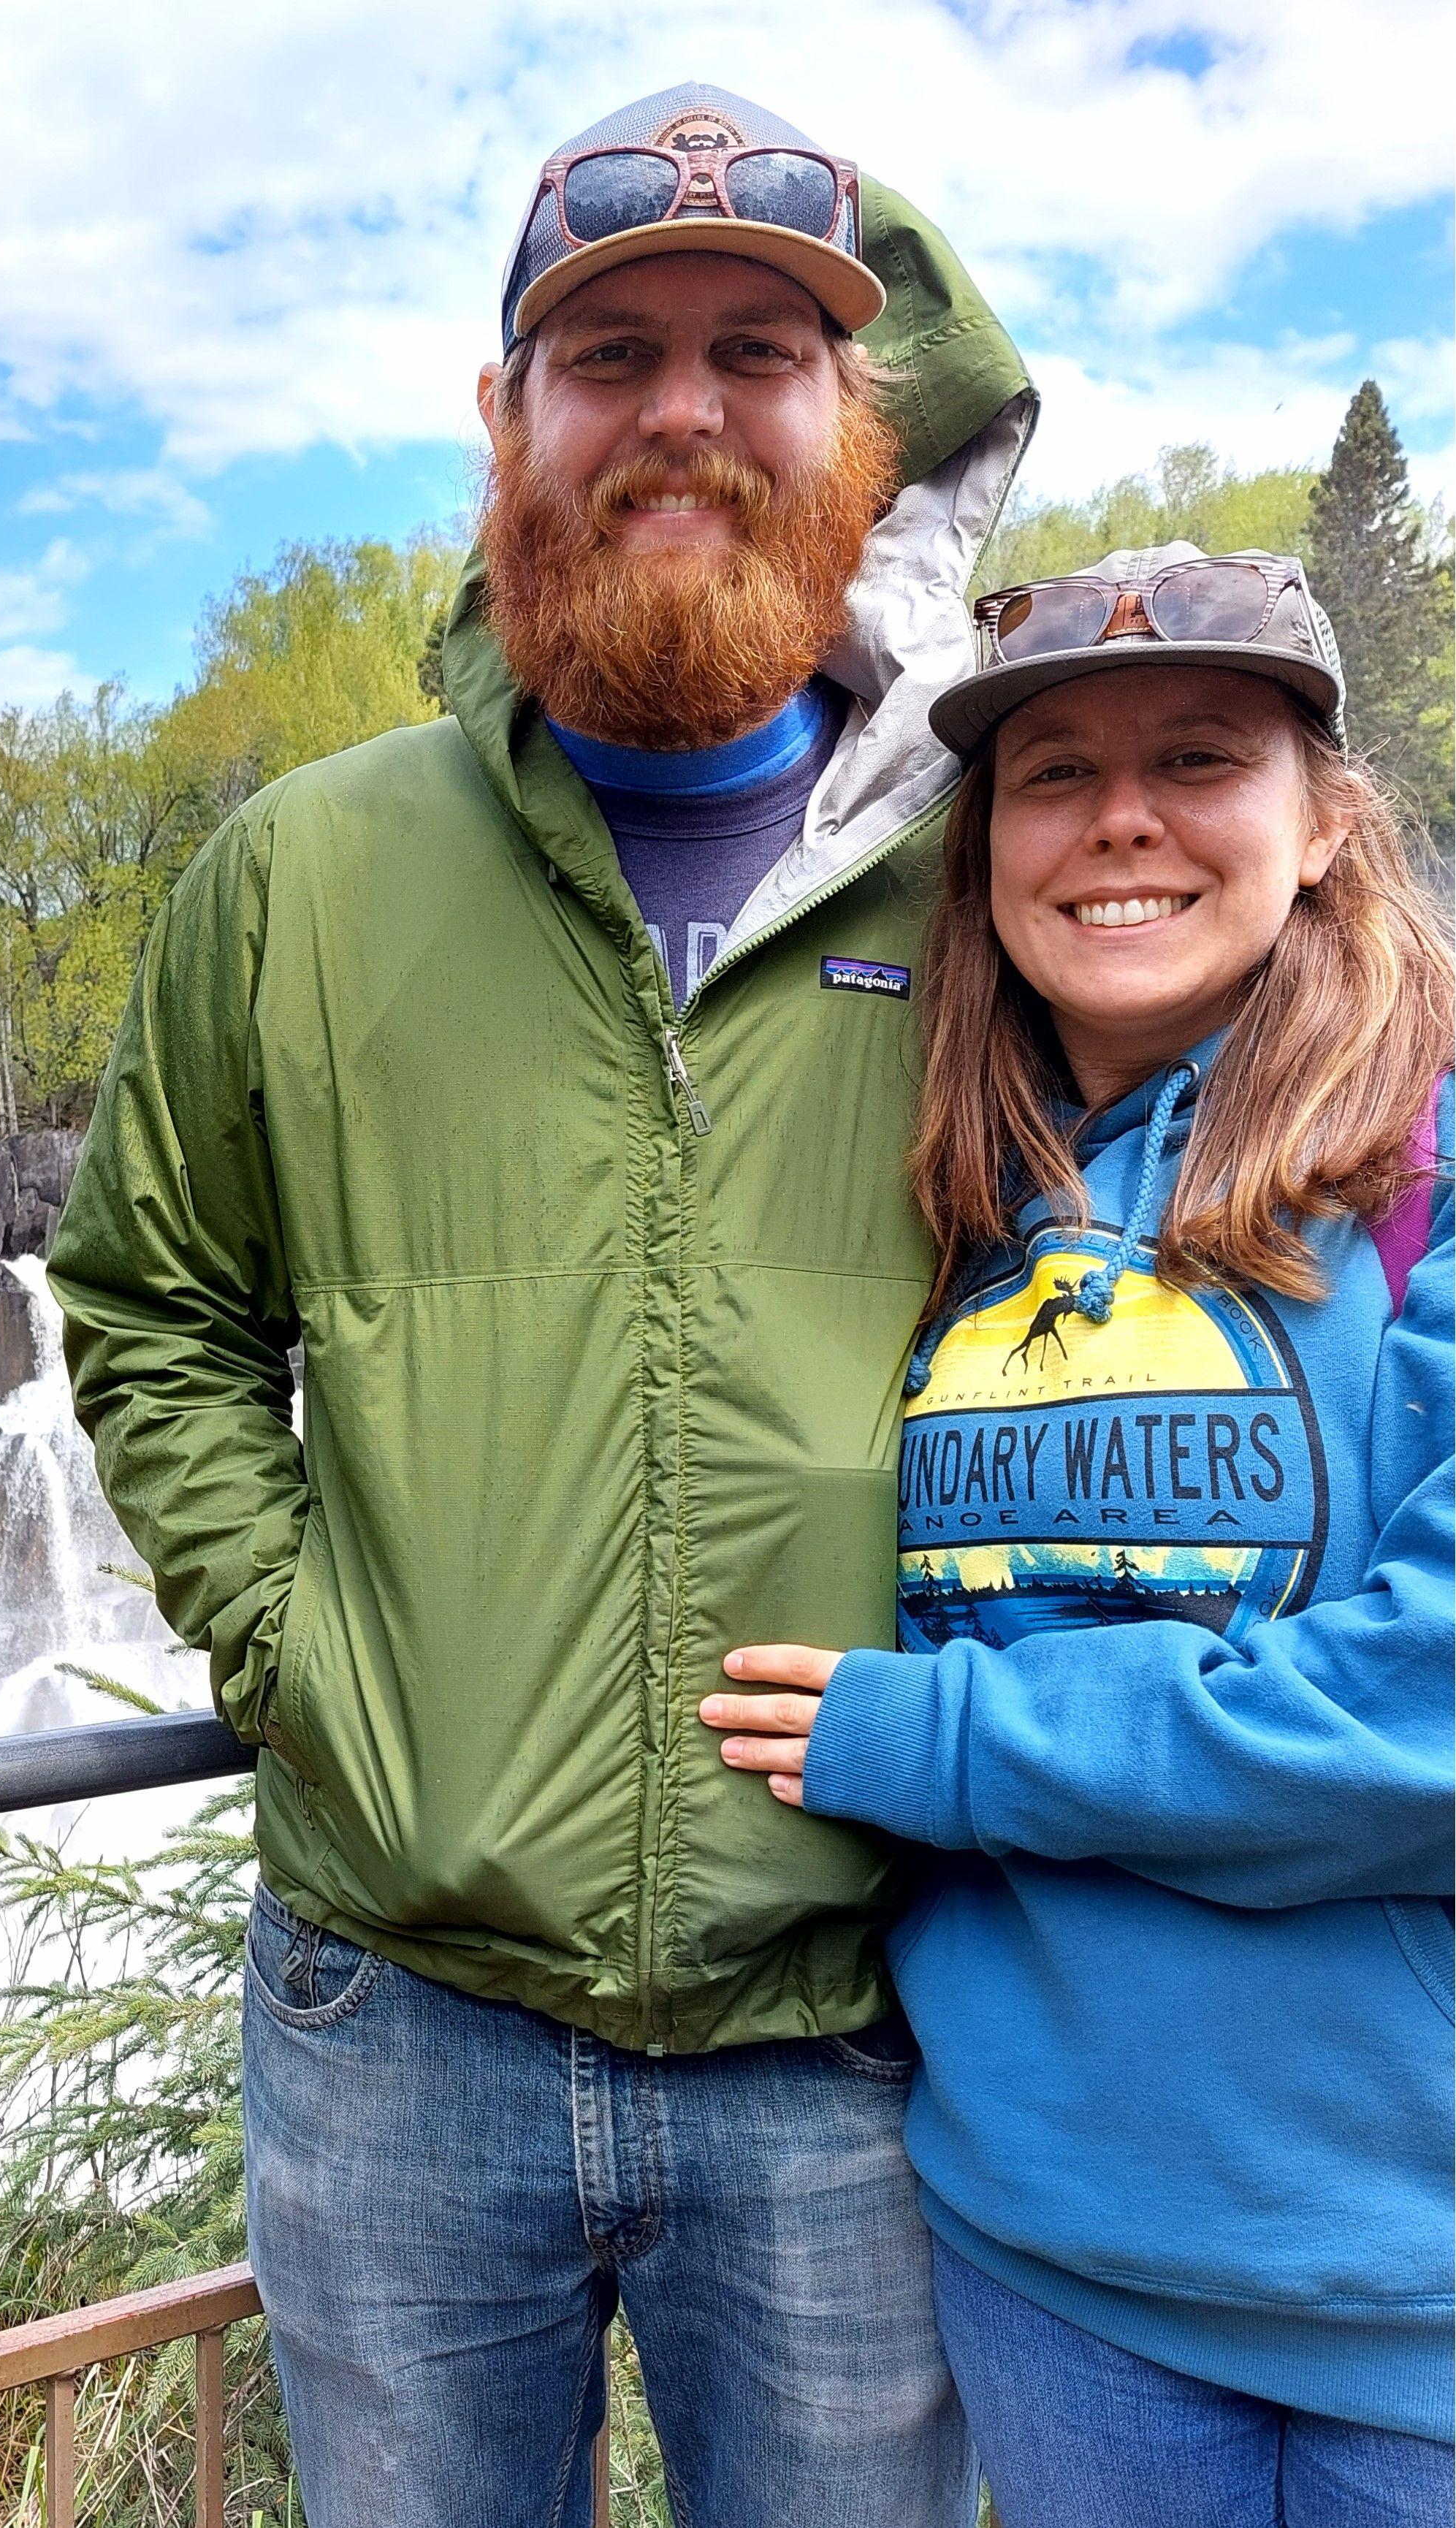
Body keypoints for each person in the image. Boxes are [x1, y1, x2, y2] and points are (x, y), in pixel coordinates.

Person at [48, 81, 1034, 2528]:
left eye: (752, 353)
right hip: (396, 2023)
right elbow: (152, 1299)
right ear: (507, 422)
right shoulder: (297, 875)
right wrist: (309, 1657)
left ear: (852, 426)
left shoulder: (1011, 866)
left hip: (859, 2029)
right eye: (608, 356)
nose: (679, 411)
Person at [701, 545, 1455, 2524]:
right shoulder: (936, 1212)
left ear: (1318, 831)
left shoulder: (1428, 1179)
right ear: (985, 862)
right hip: (1048, 2276)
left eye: (1198, 755)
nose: (1118, 818)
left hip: (1415, 2297)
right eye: (1049, 775)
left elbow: (1426, 1721)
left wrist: (943, 1745)